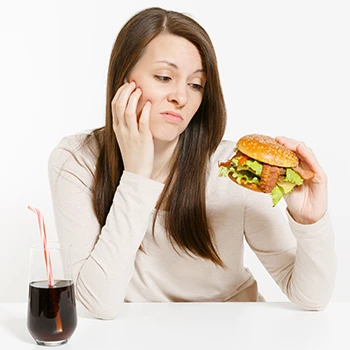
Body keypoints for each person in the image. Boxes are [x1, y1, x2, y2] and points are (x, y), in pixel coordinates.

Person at [48, 7, 336, 320]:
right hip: (134, 338)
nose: (181, 98)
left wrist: (310, 222)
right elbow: (93, 306)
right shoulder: (77, 160)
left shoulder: (231, 167)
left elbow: (311, 297)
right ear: (123, 79)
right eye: (163, 77)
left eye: (196, 84)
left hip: (232, 332)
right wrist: (136, 177)